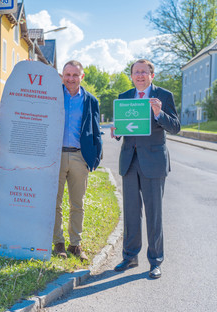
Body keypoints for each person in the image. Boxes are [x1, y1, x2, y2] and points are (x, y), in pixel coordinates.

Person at [111, 59, 180, 278]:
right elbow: (123, 128)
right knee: (131, 213)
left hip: (154, 162)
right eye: (135, 72)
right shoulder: (124, 97)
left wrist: (159, 113)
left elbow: (176, 127)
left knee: (154, 214)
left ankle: (155, 260)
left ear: (152, 74)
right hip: (129, 161)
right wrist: (116, 130)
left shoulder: (164, 96)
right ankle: (130, 256)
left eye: (144, 72)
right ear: (131, 76)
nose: (139, 75)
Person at [53, 60, 102, 260]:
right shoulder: (53, 95)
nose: (71, 79)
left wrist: (95, 157)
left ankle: (75, 244)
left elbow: (96, 130)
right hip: (54, 156)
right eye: (67, 74)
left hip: (79, 156)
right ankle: (59, 243)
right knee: (54, 203)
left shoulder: (91, 100)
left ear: (82, 77)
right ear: (62, 76)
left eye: (75, 75)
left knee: (77, 203)